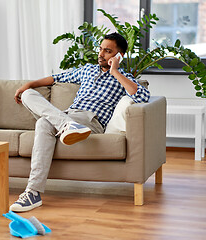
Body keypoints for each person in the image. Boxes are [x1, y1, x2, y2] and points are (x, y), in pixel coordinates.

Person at [10, 32, 150, 212]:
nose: (101, 54)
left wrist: (115, 71)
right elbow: (56, 78)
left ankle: (32, 192)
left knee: (43, 123)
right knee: (28, 95)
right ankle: (65, 125)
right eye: (100, 49)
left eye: (107, 51)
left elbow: (142, 96)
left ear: (118, 56)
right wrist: (28, 85)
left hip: (91, 121)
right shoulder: (87, 70)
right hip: (68, 115)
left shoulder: (123, 78)